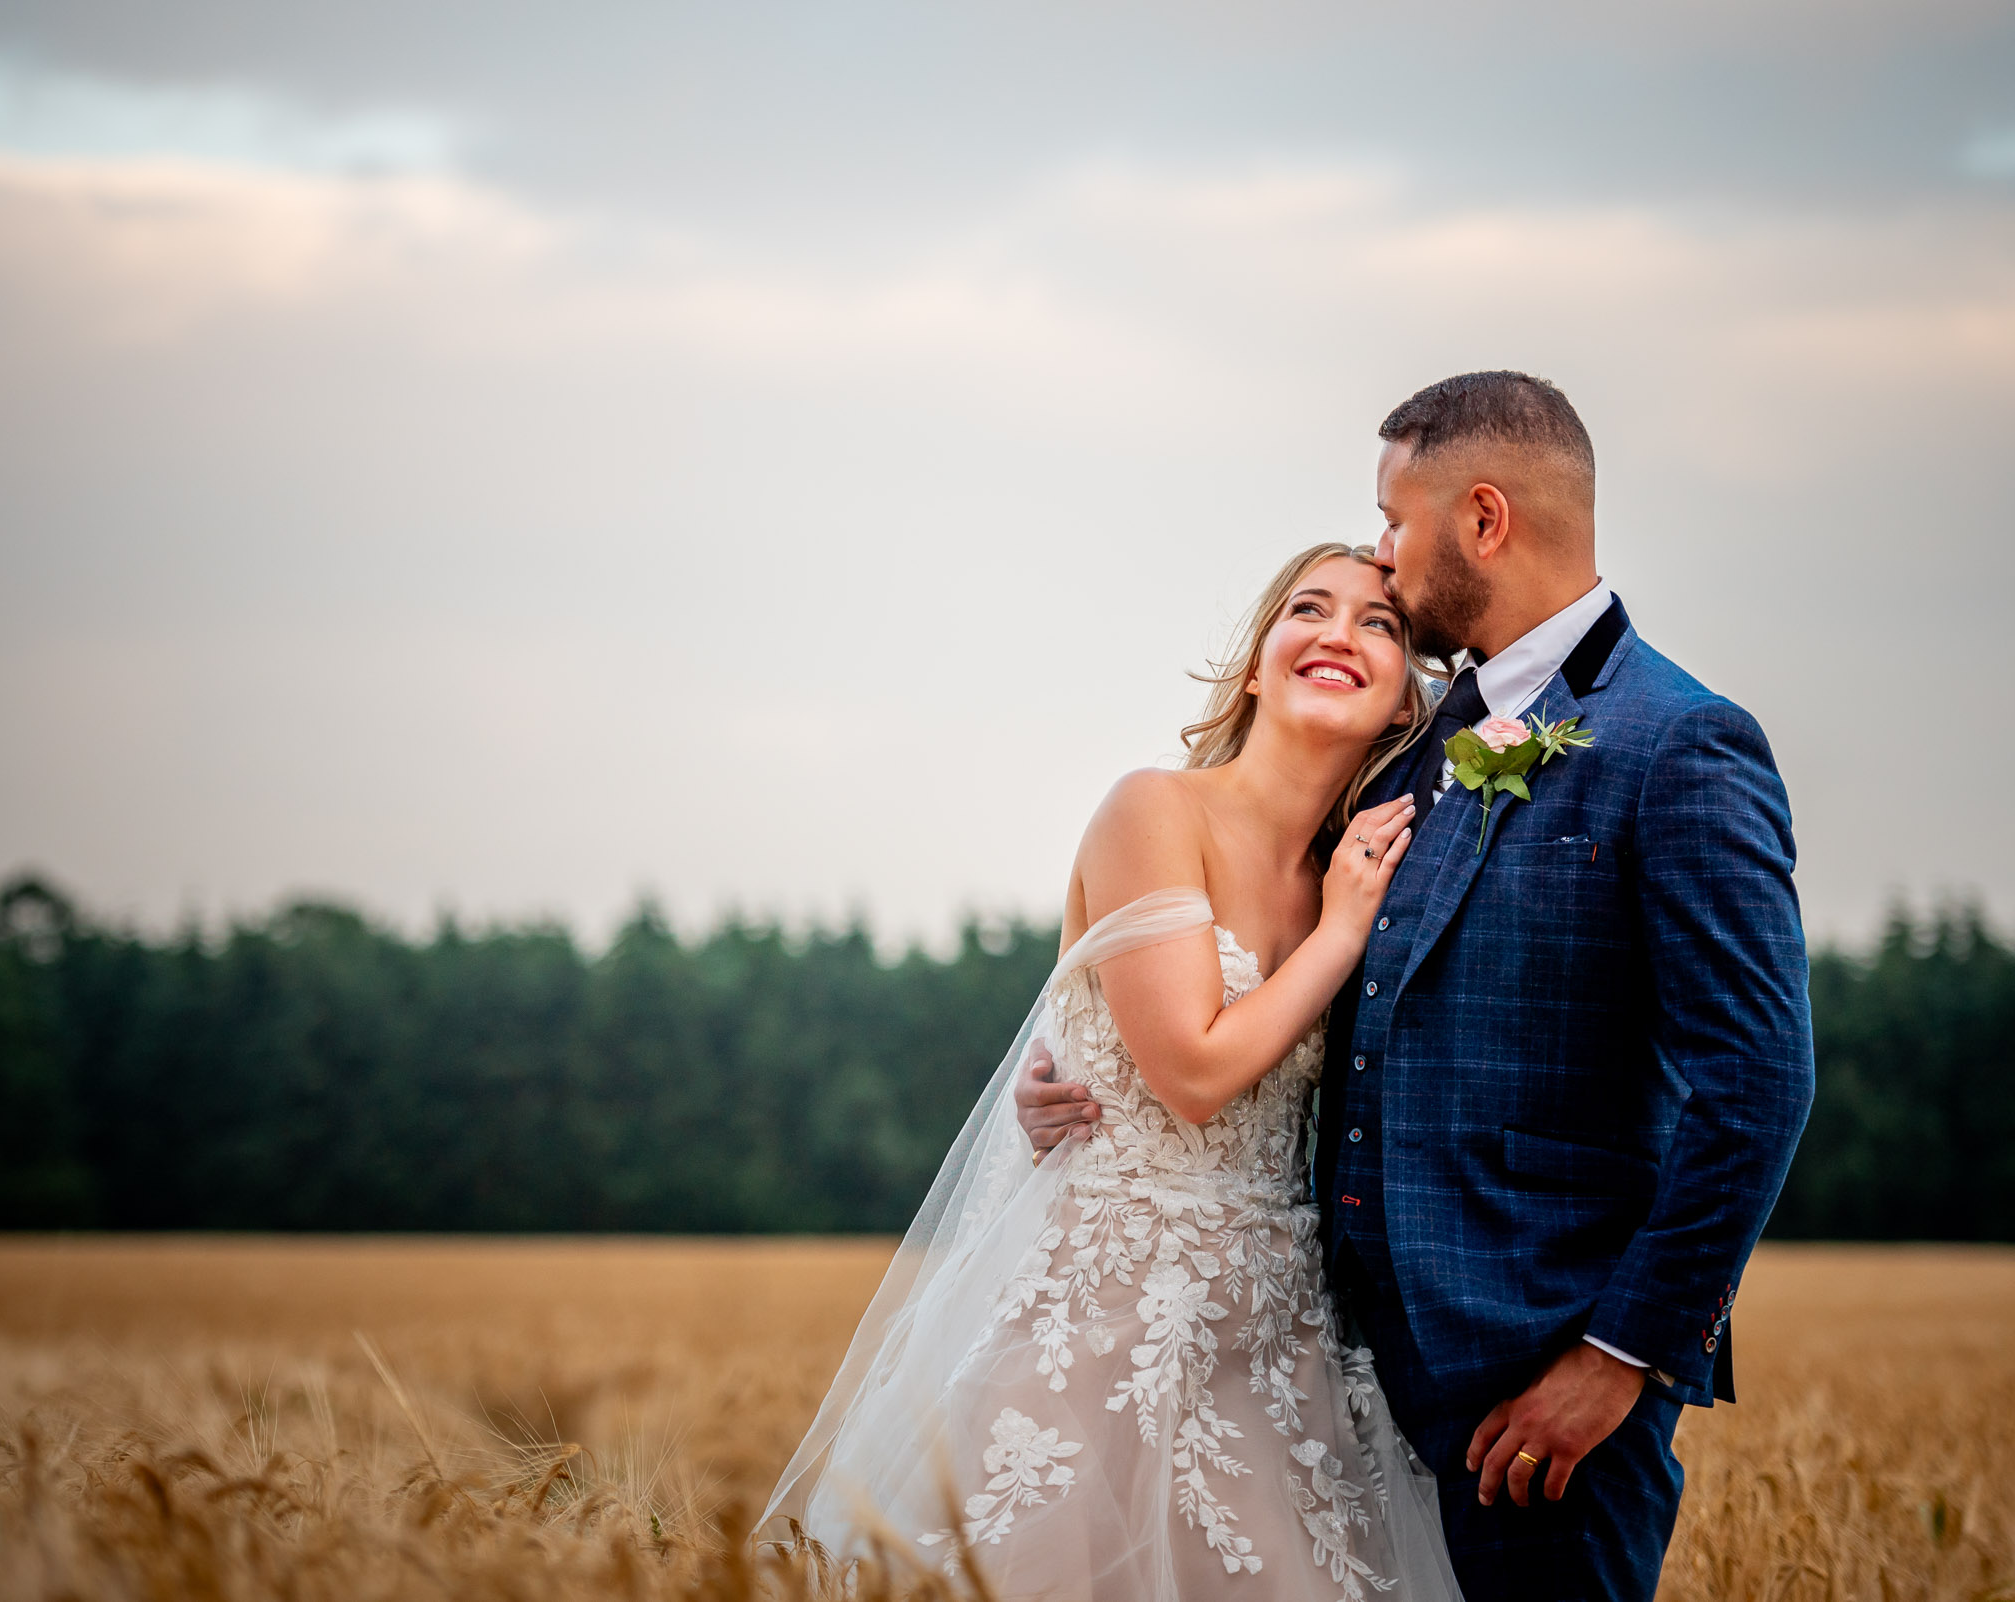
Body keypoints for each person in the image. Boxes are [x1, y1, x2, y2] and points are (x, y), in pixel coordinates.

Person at [1015, 371, 1817, 1601]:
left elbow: (1756, 1083)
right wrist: (1085, 1069)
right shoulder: (1405, 753)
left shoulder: (1677, 742)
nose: (1382, 557)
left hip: (1542, 1407)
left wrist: (1622, 1358)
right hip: (1339, 1386)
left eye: (1393, 522)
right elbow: (1264, 976)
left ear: (1483, 518)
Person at [765, 541, 1468, 1600]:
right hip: (1101, 1332)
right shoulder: (1154, 812)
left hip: (1280, 1341)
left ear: (1407, 700)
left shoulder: (1362, 869)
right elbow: (1190, 1072)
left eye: (1380, 624)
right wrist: (1338, 935)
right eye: (1308, 609)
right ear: (1254, 665)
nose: (1339, 633)